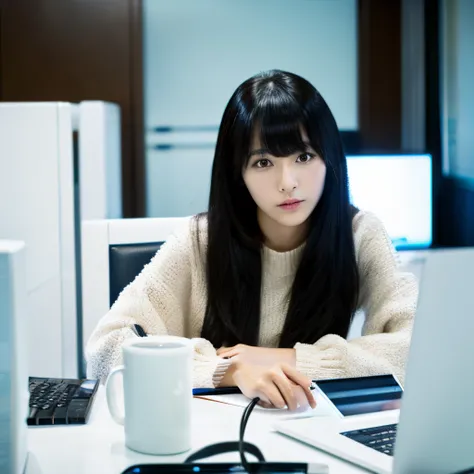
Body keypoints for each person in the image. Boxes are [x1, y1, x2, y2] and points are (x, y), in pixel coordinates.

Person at [86, 70, 418, 411]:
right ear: (237, 173)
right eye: (263, 162)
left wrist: (284, 359)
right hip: (211, 435)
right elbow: (105, 350)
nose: (287, 182)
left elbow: (420, 350)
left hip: (312, 428)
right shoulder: (200, 240)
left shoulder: (359, 234)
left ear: (329, 157)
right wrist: (227, 369)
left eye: (303, 157)